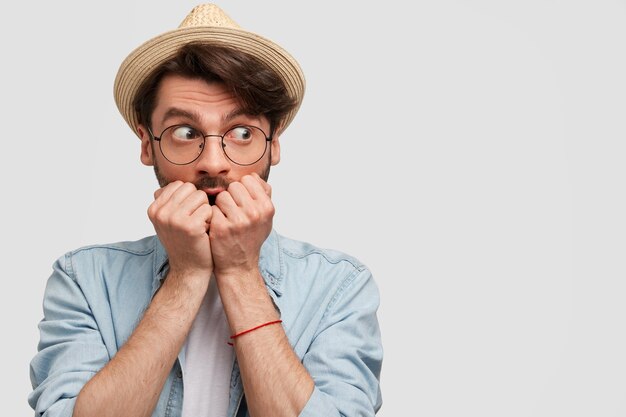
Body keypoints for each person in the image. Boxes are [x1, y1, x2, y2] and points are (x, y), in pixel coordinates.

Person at [28, 4, 383, 417]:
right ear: (148, 145)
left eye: (242, 133)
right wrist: (185, 276)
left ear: (274, 143)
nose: (214, 162)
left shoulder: (339, 287)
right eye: (185, 132)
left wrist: (240, 271)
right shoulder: (84, 280)